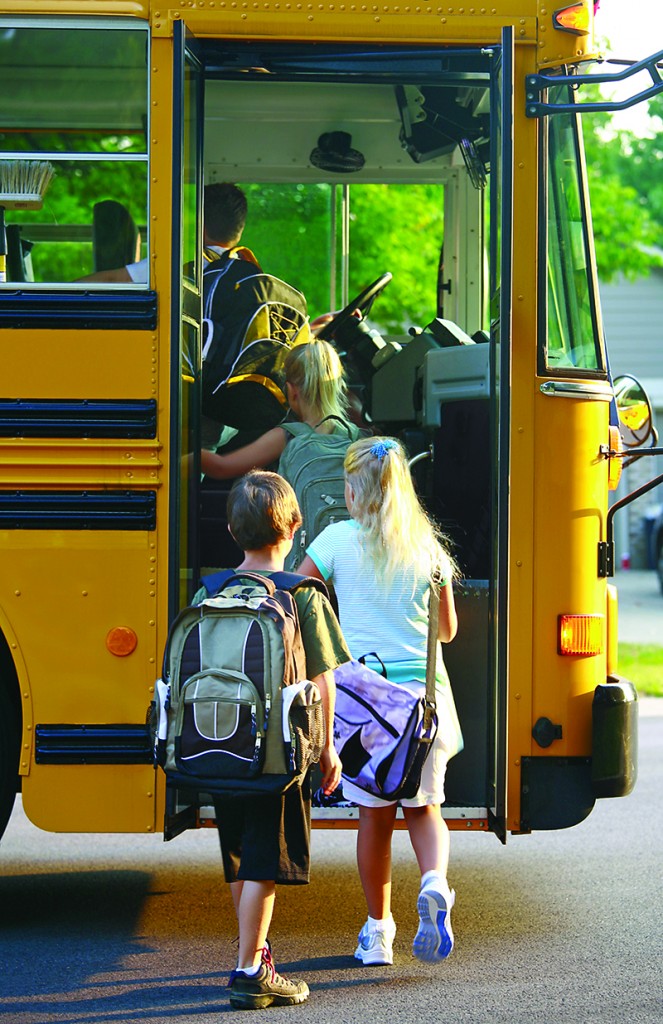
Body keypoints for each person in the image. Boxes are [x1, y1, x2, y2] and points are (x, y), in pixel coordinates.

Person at [297, 435, 463, 967]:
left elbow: (298, 593)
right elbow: (448, 631)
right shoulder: (428, 549)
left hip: (366, 708)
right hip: (422, 707)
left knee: (374, 821)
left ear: (351, 492)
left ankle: (378, 932)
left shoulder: (336, 541)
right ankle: (435, 882)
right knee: (426, 809)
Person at [200, 470, 350, 1010]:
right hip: (279, 753)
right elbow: (322, 680)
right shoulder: (302, 596)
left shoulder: (210, 590)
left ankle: (253, 953)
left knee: (240, 852)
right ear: (293, 529)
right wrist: (327, 748)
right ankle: (249, 968)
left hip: (217, 743)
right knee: (267, 855)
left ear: (231, 529)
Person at [200, 337, 350, 479]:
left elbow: (222, 467)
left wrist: (184, 458)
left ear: (291, 391)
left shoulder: (288, 436)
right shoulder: (353, 434)